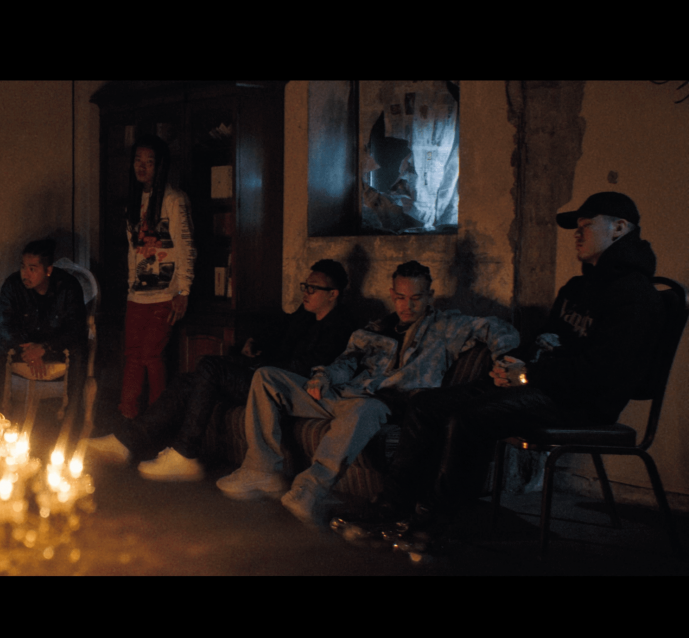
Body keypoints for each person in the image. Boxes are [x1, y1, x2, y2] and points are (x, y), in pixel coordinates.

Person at [379, 192, 663, 526]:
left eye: (586, 225)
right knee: (426, 404)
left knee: (469, 417)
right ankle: (392, 508)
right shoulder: (577, 288)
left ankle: (439, 520)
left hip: (582, 401)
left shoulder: (634, 295)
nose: (577, 233)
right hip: (545, 384)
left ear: (619, 228)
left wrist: (529, 375)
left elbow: (602, 373)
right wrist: (509, 365)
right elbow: (544, 340)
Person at [216, 260, 520, 528]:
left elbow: (499, 330)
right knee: (267, 376)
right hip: (343, 393)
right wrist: (324, 377)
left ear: (430, 296)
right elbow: (347, 360)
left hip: (383, 403)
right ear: (392, 294)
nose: (407, 306)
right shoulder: (378, 327)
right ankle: (260, 468)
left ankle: (310, 488)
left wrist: (506, 361)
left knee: (364, 409)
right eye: (400, 297)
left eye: (416, 298)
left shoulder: (447, 326)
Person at [84, 259, 356, 483]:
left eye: (313, 288)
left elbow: (305, 368)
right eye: (305, 286)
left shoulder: (340, 328)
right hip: (265, 374)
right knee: (189, 381)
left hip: (283, 390)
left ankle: (185, 452)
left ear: (333, 294)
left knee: (210, 367)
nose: (306, 292)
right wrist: (254, 344)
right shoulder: (305, 315)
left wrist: (260, 365)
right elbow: (279, 333)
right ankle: (125, 442)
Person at [118, 135, 196, 420]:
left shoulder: (174, 200)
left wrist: (183, 291)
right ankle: (128, 417)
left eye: (149, 162)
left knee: (151, 354)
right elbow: (132, 251)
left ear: (160, 165)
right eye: (138, 160)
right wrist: (131, 286)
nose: (142, 166)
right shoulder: (132, 203)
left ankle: (157, 419)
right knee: (133, 356)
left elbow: (186, 246)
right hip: (137, 294)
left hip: (165, 293)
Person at [0, 238, 88, 411]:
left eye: (32, 269)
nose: (25, 274)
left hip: (56, 345)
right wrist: (26, 348)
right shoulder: (12, 285)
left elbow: (76, 328)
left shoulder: (68, 286)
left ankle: (72, 414)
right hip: (25, 345)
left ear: (48, 270)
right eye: (23, 267)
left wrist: (45, 348)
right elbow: (3, 324)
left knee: (79, 350)